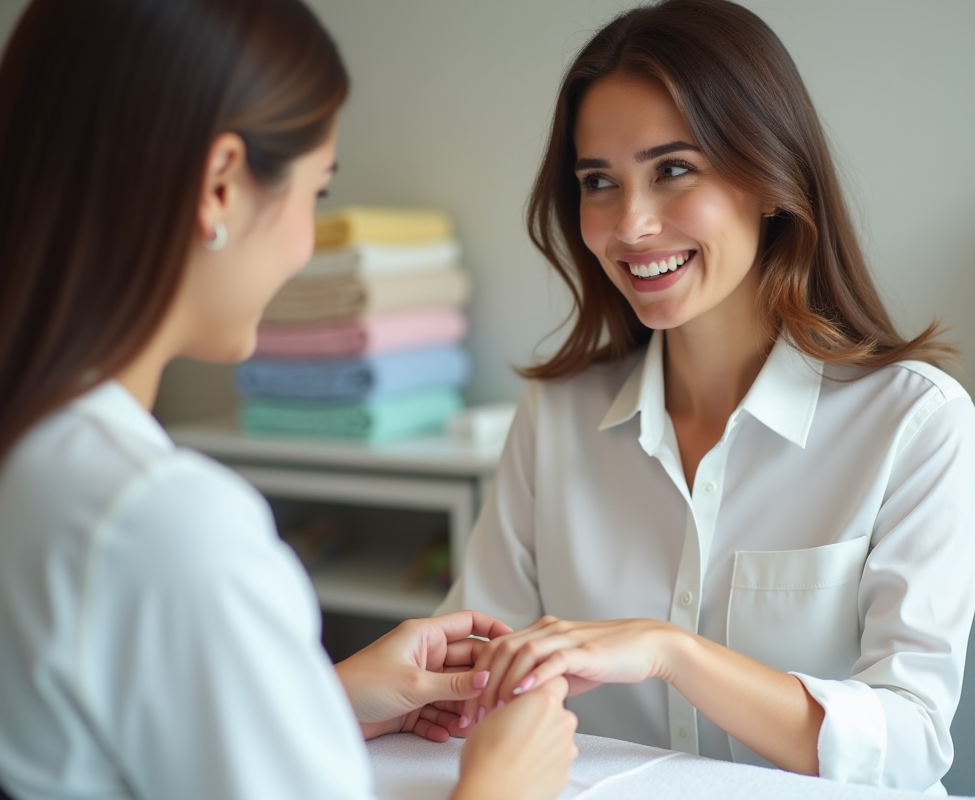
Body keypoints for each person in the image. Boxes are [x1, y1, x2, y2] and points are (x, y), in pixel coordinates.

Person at [0, 1, 577, 799]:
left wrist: (318, 700)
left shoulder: (39, 461)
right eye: (316, 194)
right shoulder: (165, 522)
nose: (305, 243)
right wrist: (503, 785)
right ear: (220, 186)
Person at [437, 0, 975, 793]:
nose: (631, 224)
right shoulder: (554, 421)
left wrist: (672, 652)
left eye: (673, 169)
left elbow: (910, 744)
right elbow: (477, 676)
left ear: (770, 178)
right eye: (599, 182)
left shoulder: (915, 422)